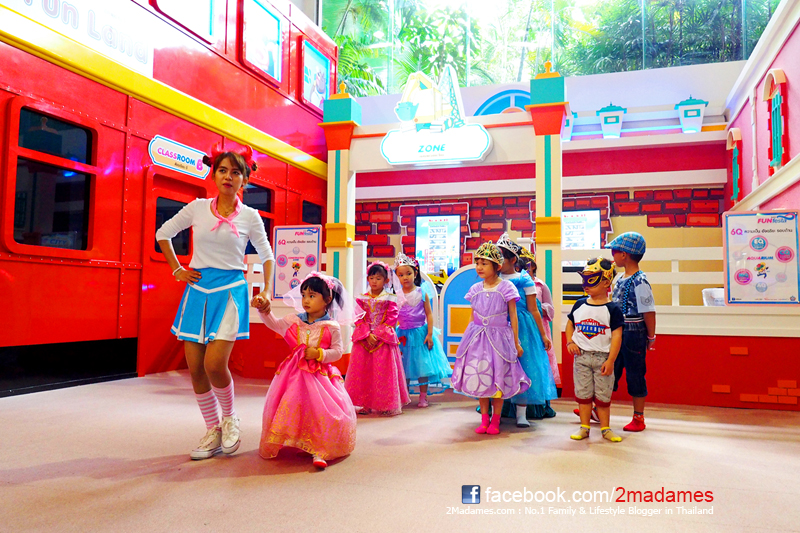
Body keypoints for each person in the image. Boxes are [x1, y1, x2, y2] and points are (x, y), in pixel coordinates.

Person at [156, 144, 274, 460]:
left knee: (214, 364)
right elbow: (163, 233)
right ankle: (213, 430)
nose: (228, 177)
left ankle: (231, 418)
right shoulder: (197, 207)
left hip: (231, 292)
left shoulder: (250, 216)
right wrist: (177, 269)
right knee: (196, 368)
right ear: (214, 174)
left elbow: (267, 254)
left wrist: (266, 290)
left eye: (235, 172)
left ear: (244, 179)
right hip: (197, 291)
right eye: (222, 170)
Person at [252, 272, 360, 469]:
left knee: (321, 410)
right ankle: (301, 441)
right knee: (295, 406)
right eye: (303, 295)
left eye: (312, 296)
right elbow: (274, 324)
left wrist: (320, 353)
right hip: (294, 375)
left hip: (320, 377)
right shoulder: (294, 320)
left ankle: (320, 449)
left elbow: (337, 352)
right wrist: (263, 311)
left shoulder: (332, 326)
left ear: (327, 299)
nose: (306, 300)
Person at [451, 242, 531, 435]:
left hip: (499, 339)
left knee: (498, 378)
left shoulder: (506, 287)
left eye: (484, 263)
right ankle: (484, 419)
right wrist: (467, 338)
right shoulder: (475, 288)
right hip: (478, 338)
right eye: (477, 263)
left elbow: (513, 316)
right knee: (481, 377)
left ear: (497, 266)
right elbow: (472, 316)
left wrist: (516, 342)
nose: (479, 267)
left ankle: (496, 420)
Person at [494, 234, 556, 428]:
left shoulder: (524, 280)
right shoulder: (494, 278)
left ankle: (521, 413)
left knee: (524, 367)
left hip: (522, 328)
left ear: (513, 260)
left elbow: (533, 309)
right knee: (498, 367)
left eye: (502, 258)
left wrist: (543, 334)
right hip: (498, 327)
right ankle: (496, 411)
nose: (498, 262)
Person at [566, 258, 624, 442]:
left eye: (591, 279)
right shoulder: (579, 304)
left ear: (606, 282)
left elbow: (617, 336)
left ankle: (606, 428)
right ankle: (584, 427)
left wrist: (611, 360)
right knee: (583, 395)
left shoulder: (613, 309)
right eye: (584, 279)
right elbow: (570, 324)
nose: (585, 284)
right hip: (581, 357)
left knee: (603, 396)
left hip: (603, 358)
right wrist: (569, 342)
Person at [606, 232, 657, 432]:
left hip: (634, 333)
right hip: (618, 331)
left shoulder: (640, 281)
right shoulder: (620, 277)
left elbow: (648, 311)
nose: (613, 256)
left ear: (624, 255)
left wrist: (651, 336)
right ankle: (598, 408)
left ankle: (638, 417)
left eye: (614, 252)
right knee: (610, 370)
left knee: (635, 373)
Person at [345, 262, 410, 416]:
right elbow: (358, 317)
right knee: (363, 372)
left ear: (386, 280)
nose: (374, 281)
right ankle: (364, 404)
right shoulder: (362, 298)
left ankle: (386, 405)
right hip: (364, 339)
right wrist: (367, 334)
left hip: (383, 340)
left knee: (383, 373)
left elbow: (391, 319)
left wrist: (378, 334)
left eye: (378, 278)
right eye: (371, 278)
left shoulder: (391, 298)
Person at [393, 252, 452, 408]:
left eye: (408, 273)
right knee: (403, 367)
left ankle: (423, 397)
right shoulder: (396, 295)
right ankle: (404, 396)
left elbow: (429, 314)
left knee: (422, 366)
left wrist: (430, 334)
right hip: (402, 334)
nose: (405, 277)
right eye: (401, 275)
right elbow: (393, 316)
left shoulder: (422, 292)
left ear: (415, 273)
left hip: (420, 333)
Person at [519, 248, 561, 392]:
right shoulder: (515, 284)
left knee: (537, 361)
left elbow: (550, 309)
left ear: (533, 266)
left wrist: (535, 307)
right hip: (520, 327)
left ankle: (540, 395)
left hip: (538, 327)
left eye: (526, 264)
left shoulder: (540, 286)